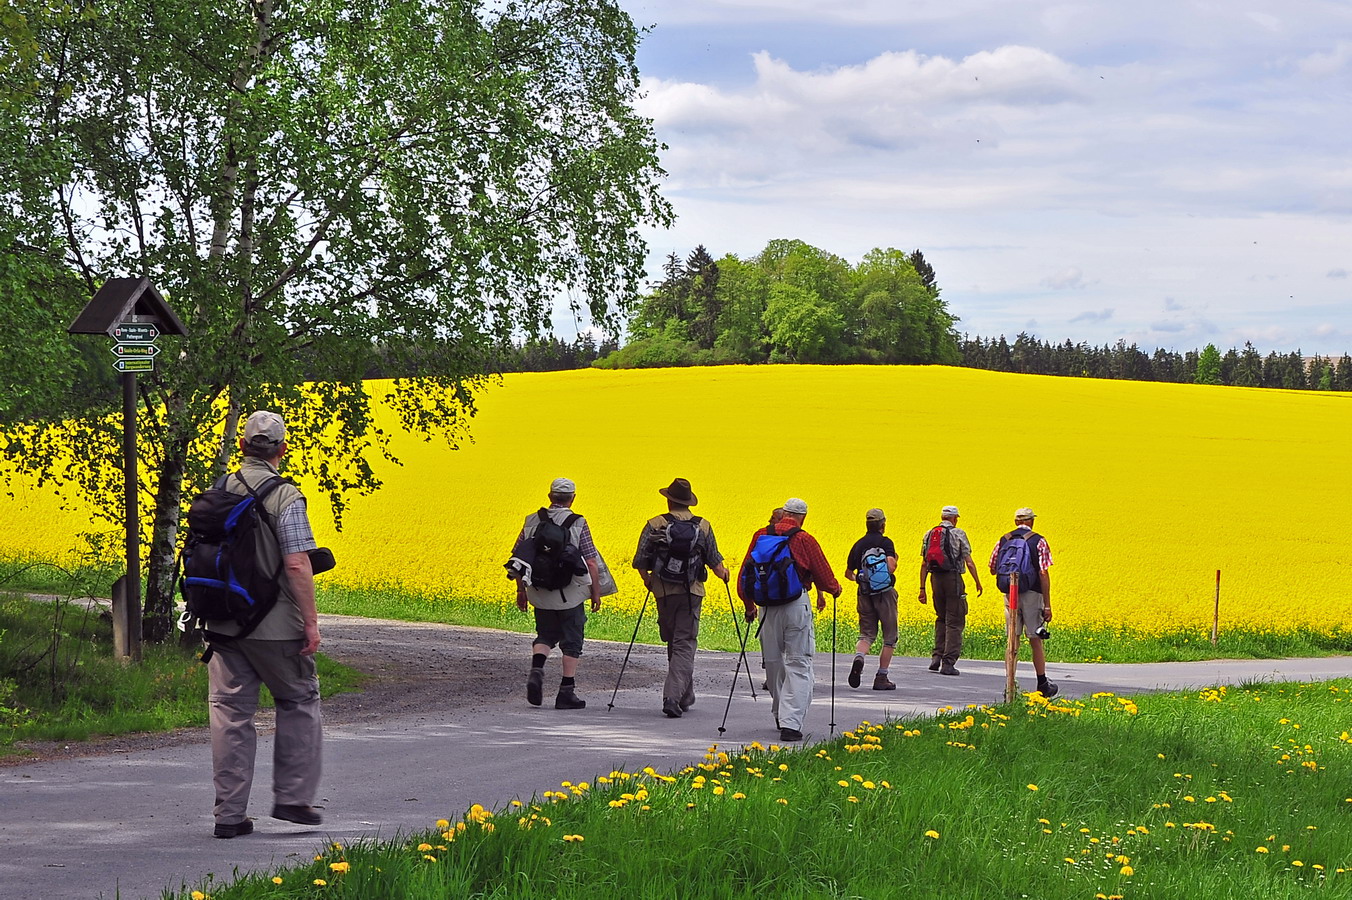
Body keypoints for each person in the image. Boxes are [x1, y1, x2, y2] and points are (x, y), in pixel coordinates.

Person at [206, 410, 324, 839]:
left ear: (241, 447)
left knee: (230, 714)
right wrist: (310, 624)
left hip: (223, 623)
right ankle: (293, 799)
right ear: (282, 449)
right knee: (298, 701)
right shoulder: (284, 496)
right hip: (275, 627)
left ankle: (229, 815)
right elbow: (296, 563)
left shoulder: (220, 489)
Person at [738, 497, 841, 743]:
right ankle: (790, 723)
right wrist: (835, 590)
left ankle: (778, 712)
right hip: (796, 606)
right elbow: (825, 578)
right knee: (799, 663)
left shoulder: (761, 535)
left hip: (767, 609)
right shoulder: (804, 539)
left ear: (783, 514)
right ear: (802, 517)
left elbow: (745, 575)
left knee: (773, 662)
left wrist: (749, 605)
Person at [632, 478, 730, 718]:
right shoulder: (703, 526)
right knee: (684, 643)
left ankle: (684, 695)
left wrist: (648, 579)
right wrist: (725, 575)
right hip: (691, 593)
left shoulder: (655, 524)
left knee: (674, 641)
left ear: (668, 499)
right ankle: (673, 697)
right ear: (689, 502)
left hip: (663, 591)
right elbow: (715, 562)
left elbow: (640, 560)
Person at [513, 477, 602, 710]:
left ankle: (537, 668)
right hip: (570, 593)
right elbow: (591, 562)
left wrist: (521, 590)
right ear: (572, 498)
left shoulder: (532, 520)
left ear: (550, 497)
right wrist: (595, 592)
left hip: (540, 591)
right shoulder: (578, 522)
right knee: (572, 641)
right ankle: (566, 692)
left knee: (545, 635)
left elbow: (519, 558)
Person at [989, 507, 1058, 698]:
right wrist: (1047, 604)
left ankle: (1009, 684)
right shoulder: (1038, 540)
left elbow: (993, 568)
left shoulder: (1004, 539)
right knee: (1035, 639)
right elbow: (1043, 572)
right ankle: (1042, 682)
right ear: (1031, 522)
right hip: (1032, 594)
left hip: (1010, 594)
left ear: (1015, 522)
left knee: (1013, 639)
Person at [919, 505, 983, 676]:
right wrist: (977, 581)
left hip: (935, 579)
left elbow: (924, 563)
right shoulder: (958, 533)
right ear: (954, 518)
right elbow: (968, 561)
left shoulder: (929, 533)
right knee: (955, 621)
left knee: (941, 618)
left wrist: (922, 588)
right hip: (953, 579)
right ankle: (948, 663)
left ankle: (936, 657)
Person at [843, 508, 899, 691]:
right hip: (885, 594)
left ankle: (860, 656)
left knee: (867, 633)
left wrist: (860, 579)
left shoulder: (859, 544)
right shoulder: (885, 542)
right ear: (883, 524)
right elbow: (891, 567)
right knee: (889, 637)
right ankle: (881, 677)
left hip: (865, 593)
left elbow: (848, 573)